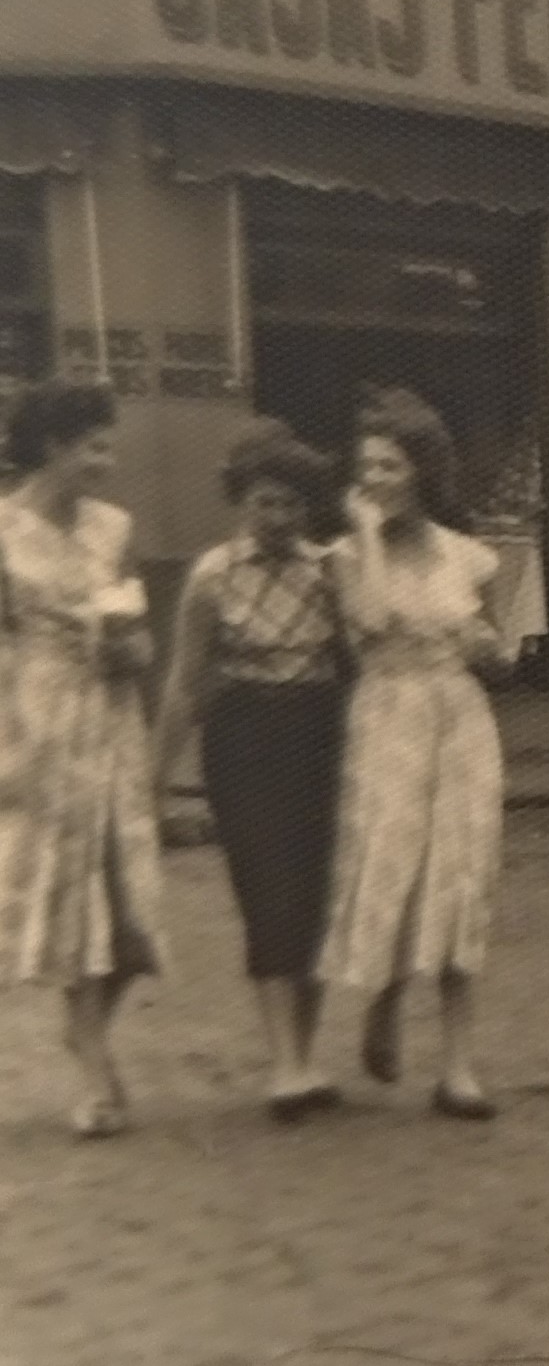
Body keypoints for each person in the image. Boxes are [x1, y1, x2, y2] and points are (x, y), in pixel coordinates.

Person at [314, 390, 511, 1121]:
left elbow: (498, 655)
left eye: (388, 465)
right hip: (388, 720)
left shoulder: (466, 555)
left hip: (460, 722)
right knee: (396, 872)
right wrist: (364, 533)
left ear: (422, 470)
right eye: (364, 465)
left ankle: (458, 1066)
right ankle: (385, 1000)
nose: (373, 478)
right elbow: (365, 626)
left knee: (460, 878)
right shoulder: (344, 556)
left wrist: (490, 649)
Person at [153, 422, 351, 1123]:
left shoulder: (332, 571)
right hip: (244, 741)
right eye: (264, 503)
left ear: (309, 508)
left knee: (316, 897)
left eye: (291, 506)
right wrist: (156, 778)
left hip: (320, 735)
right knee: (267, 892)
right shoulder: (213, 576)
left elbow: (356, 666)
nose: (276, 518)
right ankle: (285, 1064)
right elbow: (183, 682)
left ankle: (306, 1051)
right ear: (242, 500)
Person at [0, 380, 167, 1138]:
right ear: (52, 446)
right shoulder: (4, 531)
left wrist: (135, 646)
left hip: (111, 717)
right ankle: (95, 1067)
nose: (107, 459)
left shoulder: (113, 527)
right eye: (94, 445)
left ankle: (88, 1028)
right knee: (68, 893)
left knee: (130, 895)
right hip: (38, 719)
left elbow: (138, 623)